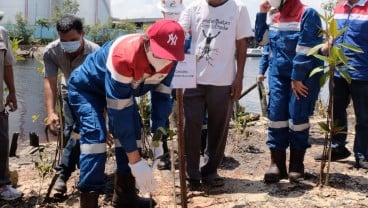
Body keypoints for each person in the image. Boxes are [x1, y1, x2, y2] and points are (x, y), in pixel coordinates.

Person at [67, 19, 185, 207]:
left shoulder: (172, 60)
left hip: (123, 93)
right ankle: (88, 202)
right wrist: (136, 163)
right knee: (95, 138)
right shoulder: (124, 56)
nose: (164, 61)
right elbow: (119, 115)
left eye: (169, 56)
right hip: (88, 89)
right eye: (160, 54)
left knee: (134, 135)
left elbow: (162, 101)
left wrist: (157, 139)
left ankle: (124, 196)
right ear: (147, 41)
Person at [179, 0, 253, 189]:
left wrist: (239, 77)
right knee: (190, 127)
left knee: (218, 129)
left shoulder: (239, 9)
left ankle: (210, 171)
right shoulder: (193, 8)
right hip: (193, 79)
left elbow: (241, 44)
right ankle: (192, 174)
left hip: (223, 80)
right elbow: (178, 35)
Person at [255, 0, 323, 183]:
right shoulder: (272, 14)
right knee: (276, 117)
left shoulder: (307, 13)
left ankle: (296, 165)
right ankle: (277, 164)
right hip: (278, 74)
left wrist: (297, 76)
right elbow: (261, 41)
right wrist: (261, 15)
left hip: (302, 76)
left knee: (298, 118)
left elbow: (306, 48)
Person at [43, 14, 100, 194]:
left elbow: (102, 84)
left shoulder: (95, 52)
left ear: (82, 34)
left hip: (91, 92)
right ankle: (73, 170)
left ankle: (64, 174)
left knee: (81, 129)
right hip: (68, 90)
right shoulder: (51, 51)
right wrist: (51, 112)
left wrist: (104, 113)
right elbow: (50, 82)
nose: (68, 45)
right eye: (64, 41)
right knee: (70, 131)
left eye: (73, 40)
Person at [316, 0, 368, 169]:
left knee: (364, 116)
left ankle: (362, 154)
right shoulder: (339, 7)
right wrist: (318, 51)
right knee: (336, 110)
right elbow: (333, 37)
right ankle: (338, 148)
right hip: (338, 70)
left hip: (363, 71)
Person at [155, 0, 186, 170]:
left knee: (193, 115)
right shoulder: (157, 31)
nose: (172, 16)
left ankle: (196, 151)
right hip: (162, 80)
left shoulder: (188, 30)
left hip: (185, 78)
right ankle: (162, 152)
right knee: (161, 117)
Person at [0, 11, 23, 200]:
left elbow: (7, 65)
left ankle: (3, 185)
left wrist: (12, 92)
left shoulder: (2, 33)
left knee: (1, 143)